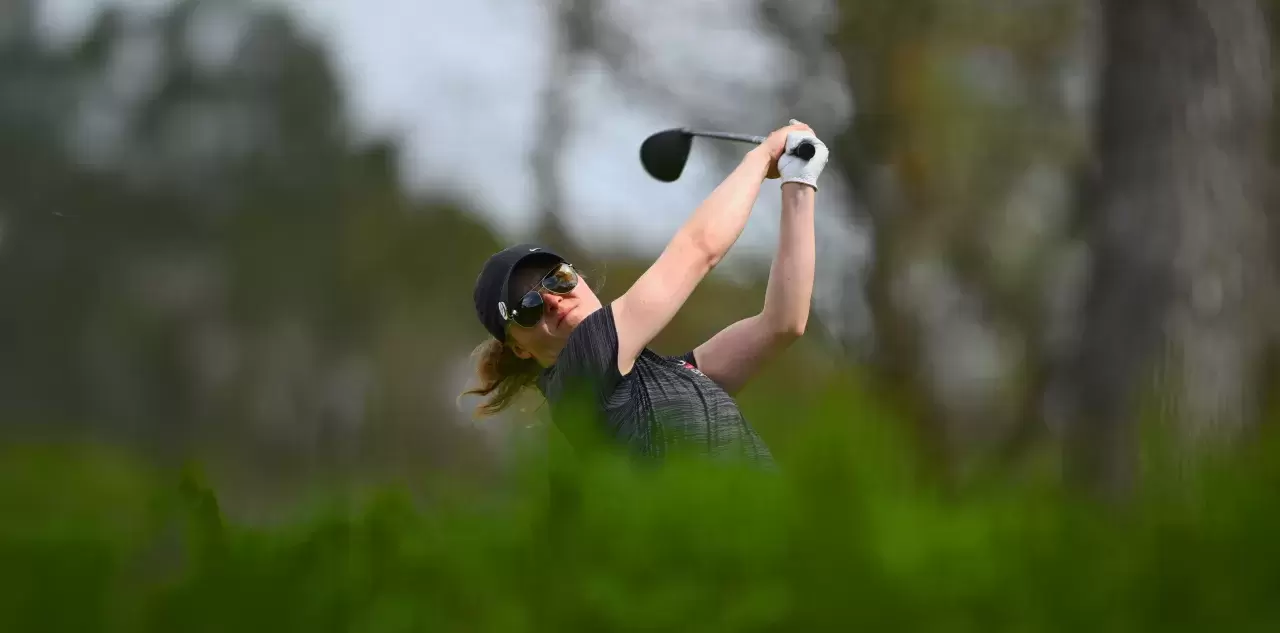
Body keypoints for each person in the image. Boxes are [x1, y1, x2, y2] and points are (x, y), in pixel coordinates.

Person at [463, 120, 829, 465]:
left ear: (579, 278)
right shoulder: (581, 373)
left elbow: (783, 324)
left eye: (558, 279)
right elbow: (698, 250)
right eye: (528, 308)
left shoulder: (667, 375)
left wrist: (799, 181)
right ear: (520, 348)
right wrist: (762, 156)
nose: (553, 300)